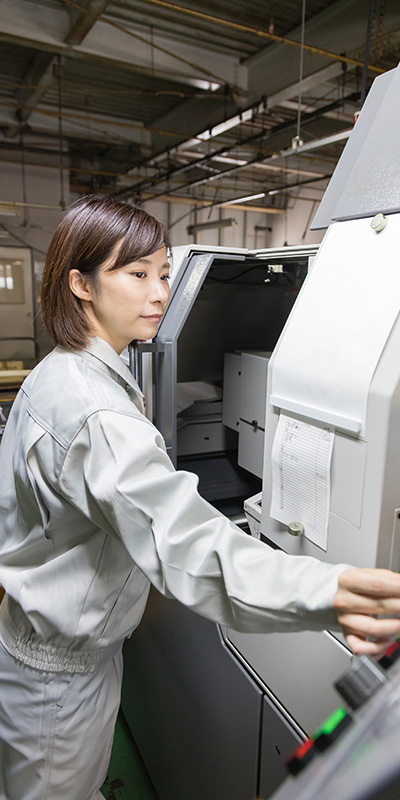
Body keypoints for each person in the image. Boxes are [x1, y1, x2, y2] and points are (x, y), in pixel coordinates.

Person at [0, 195, 400, 800]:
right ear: (80, 284)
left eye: (163, 273)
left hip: (49, 648)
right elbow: (193, 549)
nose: (159, 293)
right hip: (59, 680)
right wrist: (332, 590)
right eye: (137, 275)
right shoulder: (96, 413)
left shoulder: (63, 372)